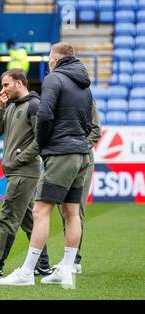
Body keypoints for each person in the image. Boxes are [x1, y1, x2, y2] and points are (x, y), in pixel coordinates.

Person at [0, 42, 92, 287]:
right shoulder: (84, 83)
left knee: (40, 211)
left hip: (61, 153)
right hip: (81, 152)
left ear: (56, 59)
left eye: (50, 57)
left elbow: (46, 115)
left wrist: (43, 142)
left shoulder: (54, 78)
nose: (49, 62)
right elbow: (88, 122)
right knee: (72, 213)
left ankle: (27, 272)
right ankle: (67, 268)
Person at [0, 69, 52, 280]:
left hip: (24, 171)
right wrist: (0, 108)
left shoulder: (34, 105)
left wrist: (21, 158)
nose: (3, 89)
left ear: (19, 83)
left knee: (8, 216)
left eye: (6, 85)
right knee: (28, 221)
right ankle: (43, 265)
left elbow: (41, 139)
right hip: (16, 171)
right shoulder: (11, 106)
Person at [54, 102, 102, 273]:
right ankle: (69, 258)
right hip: (60, 158)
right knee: (63, 208)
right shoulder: (57, 95)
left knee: (76, 209)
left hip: (82, 158)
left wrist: (78, 148)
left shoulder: (86, 97)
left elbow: (96, 130)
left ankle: (74, 261)